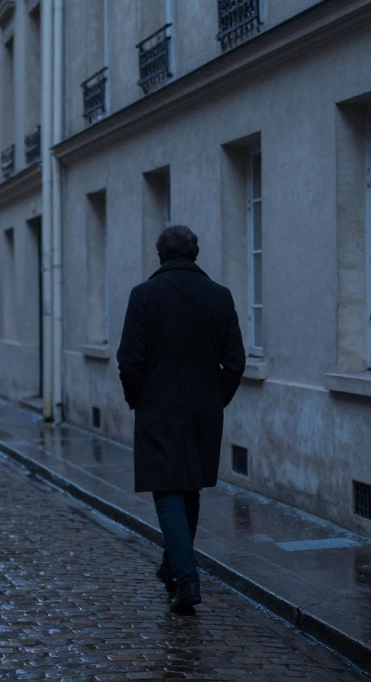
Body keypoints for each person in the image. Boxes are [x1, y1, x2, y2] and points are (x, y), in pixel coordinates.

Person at [117, 225, 245, 614]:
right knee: (188, 490)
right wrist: (215, 399)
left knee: (169, 492)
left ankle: (187, 580)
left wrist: (137, 399)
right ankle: (173, 568)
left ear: (160, 255)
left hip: (159, 407)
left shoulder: (144, 296)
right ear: (195, 253)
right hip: (204, 409)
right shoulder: (219, 297)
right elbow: (236, 362)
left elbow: (129, 362)